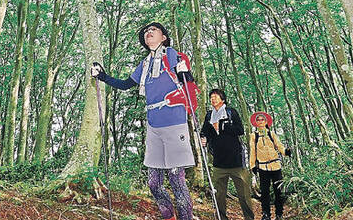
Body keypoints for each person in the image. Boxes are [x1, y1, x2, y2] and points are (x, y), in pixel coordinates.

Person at [91, 22, 195, 220]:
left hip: (174, 122)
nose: (149, 32)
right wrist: (102, 76)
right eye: (146, 31)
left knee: (176, 180)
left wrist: (185, 72)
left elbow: (187, 79)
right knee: (154, 183)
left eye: (153, 30)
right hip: (153, 125)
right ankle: (169, 216)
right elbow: (125, 85)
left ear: (164, 37)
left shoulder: (171, 53)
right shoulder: (145, 64)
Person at [199, 89, 257, 220]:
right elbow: (204, 132)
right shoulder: (209, 115)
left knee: (244, 195)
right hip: (218, 162)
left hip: (236, 162)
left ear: (223, 99)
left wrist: (222, 127)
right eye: (211, 97)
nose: (213, 99)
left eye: (216, 96)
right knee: (219, 195)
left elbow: (240, 130)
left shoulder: (231, 112)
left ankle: (249, 218)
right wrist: (204, 138)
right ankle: (221, 217)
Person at [248, 112, 286, 220]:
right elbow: (252, 151)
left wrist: (286, 152)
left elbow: (279, 145)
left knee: (278, 191)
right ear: (255, 123)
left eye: (262, 119)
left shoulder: (271, 134)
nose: (260, 121)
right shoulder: (254, 136)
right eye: (258, 120)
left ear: (266, 122)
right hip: (263, 168)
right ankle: (266, 214)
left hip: (276, 166)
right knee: (265, 192)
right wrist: (252, 165)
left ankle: (279, 214)